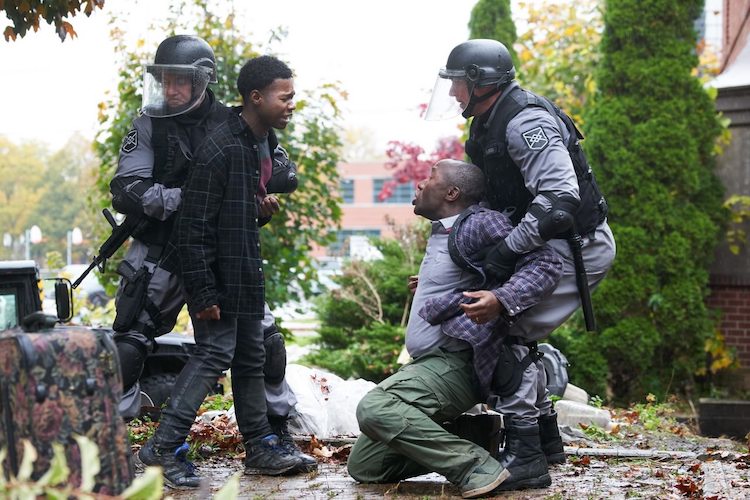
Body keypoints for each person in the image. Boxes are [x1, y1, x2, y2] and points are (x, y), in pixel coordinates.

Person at [426, 39, 616, 490]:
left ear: (479, 81)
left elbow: (558, 201)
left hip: (577, 246)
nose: (452, 93)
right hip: (546, 247)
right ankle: (546, 440)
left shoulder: (524, 121)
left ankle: (527, 457)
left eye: (456, 82)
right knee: (514, 330)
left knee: (505, 331)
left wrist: (509, 250)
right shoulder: (488, 123)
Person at [133, 54, 308, 487]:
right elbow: (193, 226)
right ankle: (162, 447)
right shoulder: (222, 145)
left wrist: (259, 210)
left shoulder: (253, 142)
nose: (291, 105)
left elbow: (233, 214)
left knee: (251, 356)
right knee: (213, 354)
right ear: (255, 97)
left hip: (244, 270)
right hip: (218, 277)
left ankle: (261, 446)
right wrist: (204, 293)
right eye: (284, 98)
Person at [347, 159, 563, 499]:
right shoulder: (449, 231)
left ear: (452, 192)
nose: (418, 184)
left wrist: (500, 298)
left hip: (456, 361)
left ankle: (476, 467)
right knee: (367, 465)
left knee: (375, 408)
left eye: (429, 177)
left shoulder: (480, 222)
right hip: (430, 363)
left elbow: (546, 263)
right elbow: (474, 271)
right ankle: (478, 435)